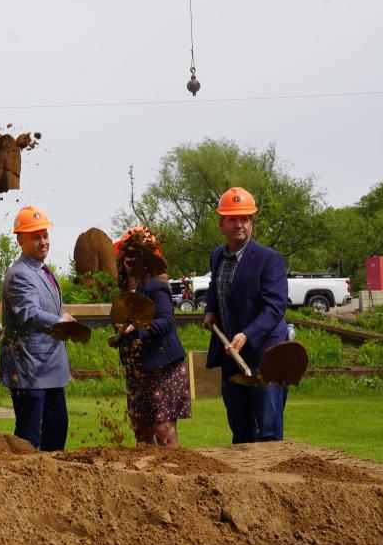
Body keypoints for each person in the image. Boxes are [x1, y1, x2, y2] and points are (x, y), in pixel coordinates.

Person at [204, 187, 289, 443]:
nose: (239, 224)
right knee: (240, 430)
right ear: (222, 223)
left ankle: (273, 482)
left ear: (251, 222)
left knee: (269, 430)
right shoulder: (217, 256)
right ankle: (244, 483)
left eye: (245, 218)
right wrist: (210, 310)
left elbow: (275, 307)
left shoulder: (270, 259)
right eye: (233, 218)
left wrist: (247, 335)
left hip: (265, 357)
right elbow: (214, 286)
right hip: (233, 356)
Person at [0, 206, 74, 451]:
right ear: (20, 240)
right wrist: (59, 322)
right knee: (29, 438)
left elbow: (42, 308)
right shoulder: (20, 274)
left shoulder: (42, 270)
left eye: (45, 236)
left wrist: (60, 315)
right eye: (35, 237)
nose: (43, 242)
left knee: (57, 427)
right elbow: (28, 312)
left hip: (49, 367)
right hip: (30, 369)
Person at [111, 226, 190, 448]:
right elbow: (128, 326)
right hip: (138, 369)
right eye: (127, 252)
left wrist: (137, 330)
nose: (131, 258)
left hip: (163, 367)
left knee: (163, 432)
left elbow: (166, 322)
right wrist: (118, 337)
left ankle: (174, 478)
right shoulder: (125, 289)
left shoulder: (156, 285)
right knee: (142, 433)